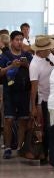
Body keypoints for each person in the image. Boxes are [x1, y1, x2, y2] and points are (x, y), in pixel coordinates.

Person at [0, 31, 33, 159]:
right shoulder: (5, 57)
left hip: (24, 92)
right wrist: (11, 67)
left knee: (23, 120)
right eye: (17, 40)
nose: (19, 42)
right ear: (11, 41)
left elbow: (35, 73)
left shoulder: (27, 55)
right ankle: (8, 147)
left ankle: (20, 147)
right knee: (8, 119)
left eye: (21, 40)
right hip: (9, 92)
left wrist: (27, 65)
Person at [29, 35, 54, 164]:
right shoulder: (34, 65)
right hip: (44, 99)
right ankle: (44, 153)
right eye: (47, 49)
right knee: (45, 127)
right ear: (39, 50)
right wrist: (34, 107)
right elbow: (33, 89)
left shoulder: (51, 55)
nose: (49, 50)